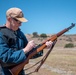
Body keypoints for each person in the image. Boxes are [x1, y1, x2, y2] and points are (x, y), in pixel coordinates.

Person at [0, 7, 53, 75]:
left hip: (20, 72)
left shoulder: (20, 33)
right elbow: (6, 57)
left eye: (21, 22)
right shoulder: (1, 33)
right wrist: (26, 49)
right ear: (9, 19)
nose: (21, 24)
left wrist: (43, 47)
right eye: (18, 21)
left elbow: (30, 53)